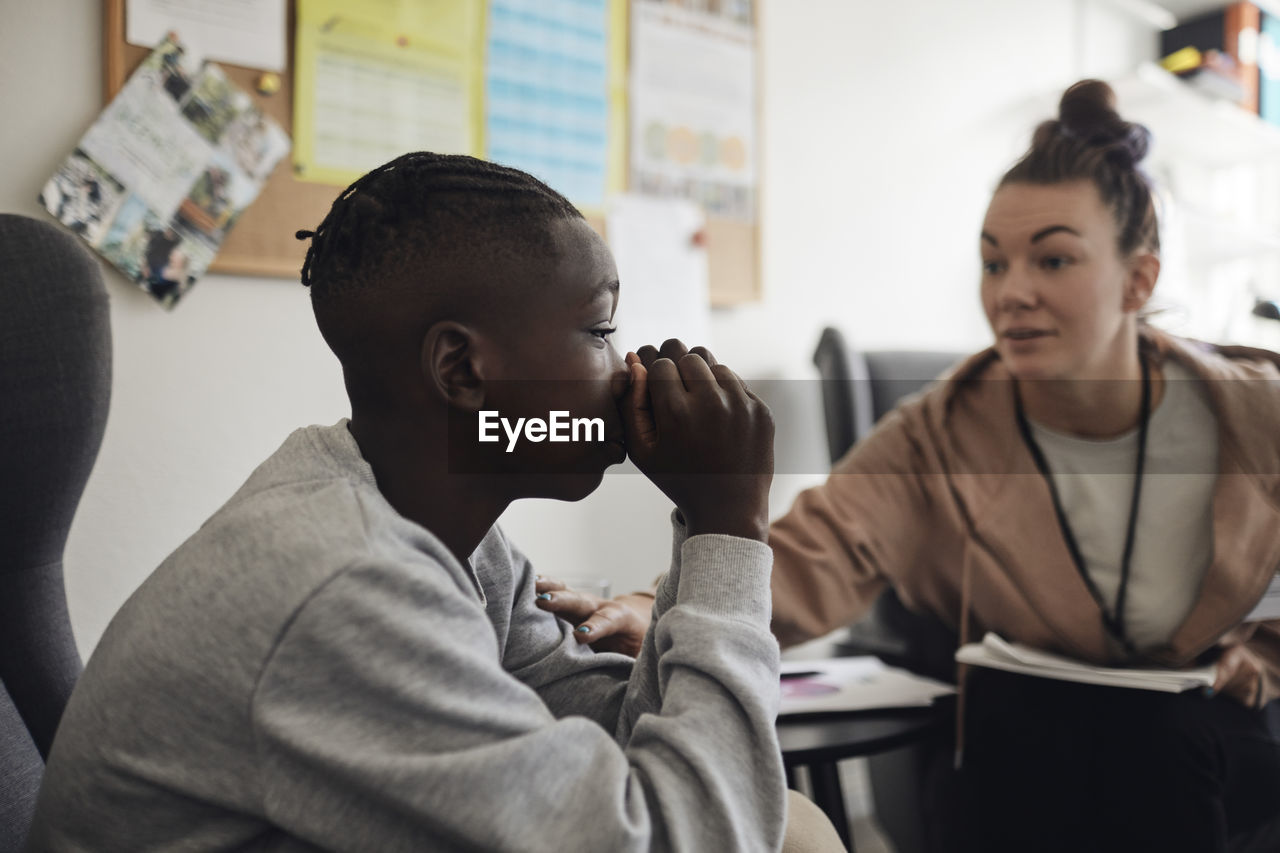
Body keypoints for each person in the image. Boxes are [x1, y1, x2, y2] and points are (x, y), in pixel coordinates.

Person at [538, 80, 1280, 852]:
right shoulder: (944, 427)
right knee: (1020, 741)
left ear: (1139, 280)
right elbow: (816, 547)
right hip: (1036, 723)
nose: (1012, 292)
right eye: (993, 264)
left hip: (1207, 721)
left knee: (1156, 747)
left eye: (1053, 259)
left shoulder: (1253, 412)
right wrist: (657, 606)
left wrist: (1258, 659)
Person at [26, 153, 840, 851]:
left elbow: (619, 750)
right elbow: (689, 834)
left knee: (792, 827)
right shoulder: (344, 585)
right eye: (599, 332)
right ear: (461, 370)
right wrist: (732, 528)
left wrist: (707, 529)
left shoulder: (453, 547)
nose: (628, 369)